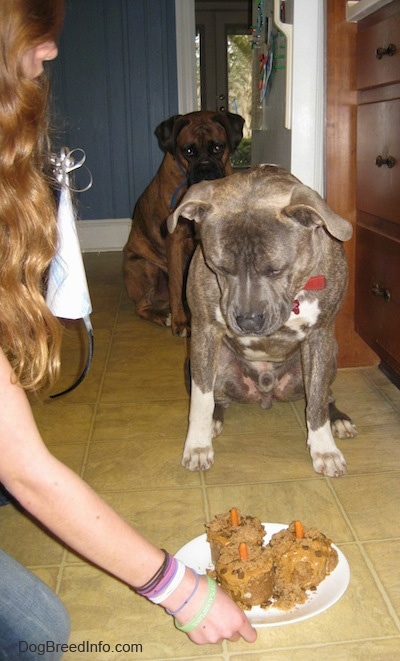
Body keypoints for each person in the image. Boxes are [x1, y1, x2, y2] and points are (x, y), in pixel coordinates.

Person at [0, 1, 257, 659]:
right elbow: (171, 243)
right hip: (151, 263)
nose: (53, 51)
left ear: (230, 143)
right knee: (40, 630)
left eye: (214, 149)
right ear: (174, 147)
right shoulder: (169, 187)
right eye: (191, 150)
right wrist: (178, 312)